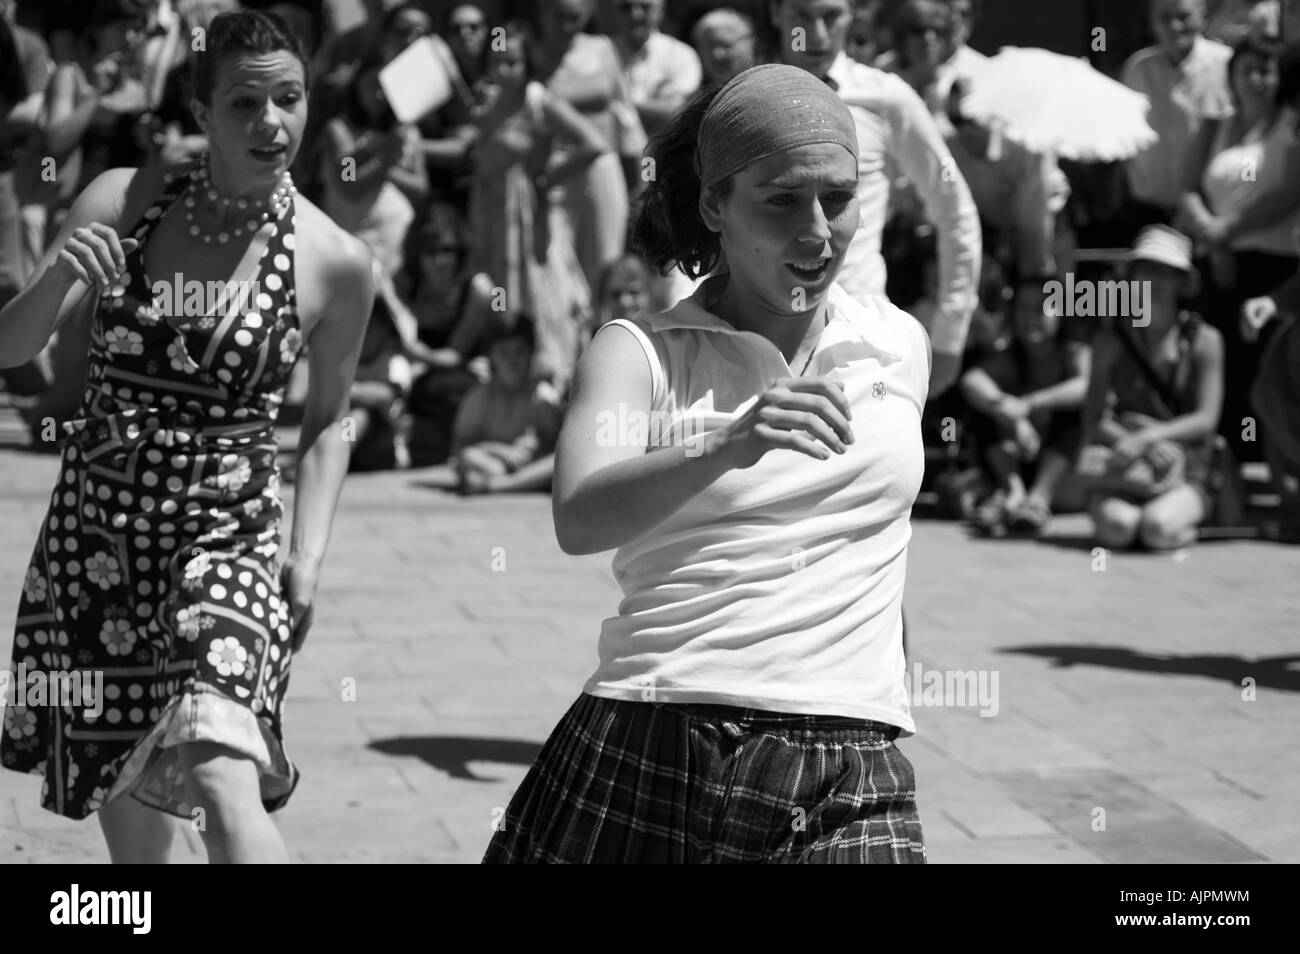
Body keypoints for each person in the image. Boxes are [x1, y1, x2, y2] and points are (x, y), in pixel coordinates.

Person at [486, 64, 931, 864]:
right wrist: (726, 442)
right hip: (661, 732)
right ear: (714, 205)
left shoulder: (897, 342)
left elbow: (878, 530)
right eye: (782, 200)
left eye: (839, 196)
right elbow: (579, 515)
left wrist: (886, 678)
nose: (819, 231)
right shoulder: (641, 353)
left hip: (851, 755)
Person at [0, 10, 374, 864]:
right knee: (139, 848)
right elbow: (10, 349)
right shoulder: (122, 199)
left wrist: (307, 558)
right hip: (95, 548)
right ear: (202, 115)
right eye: (244, 103)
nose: (270, 123)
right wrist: (61, 271)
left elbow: (329, 423)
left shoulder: (336, 258)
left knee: (222, 776)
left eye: (289, 98)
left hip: (228, 542)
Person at [764, 0, 980, 398]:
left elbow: (955, 210)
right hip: (756, 342)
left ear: (853, 15)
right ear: (776, 12)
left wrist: (950, 334)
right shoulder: (744, 94)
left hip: (859, 346)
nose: (819, 34)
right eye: (802, 16)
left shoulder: (887, 99)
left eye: (831, 16)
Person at [1179, 34, 1299, 461]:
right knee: (1220, 361)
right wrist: (1212, 235)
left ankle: (1274, 468)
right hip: (1218, 264)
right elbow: (1188, 189)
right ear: (1231, 77)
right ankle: (1228, 465)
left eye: (1265, 70)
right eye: (1246, 70)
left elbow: (1289, 190)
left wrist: (1225, 230)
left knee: (1268, 368)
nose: (1256, 79)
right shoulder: (1217, 125)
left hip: (1275, 268)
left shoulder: (1291, 123)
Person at [467, 19, 604, 393]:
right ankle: (508, 387)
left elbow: (592, 142)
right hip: (493, 215)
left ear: (528, 63)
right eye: (495, 62)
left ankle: (552, 383)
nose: (502, 70)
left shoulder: (539, 101)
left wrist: (547, 177)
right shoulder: (490, 103)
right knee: (500, 293)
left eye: (511, 62)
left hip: (530, 218)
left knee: (542, 294)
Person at [1082, 226, 1225, 551]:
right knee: (1119, 529)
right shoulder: (1109, 339)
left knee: (1157, 528)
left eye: (1164, 271)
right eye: (1145, 269)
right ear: (1131, 277)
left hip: (1189, 466)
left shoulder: (1206, 340)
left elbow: (1207, 419)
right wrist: (1137, 445)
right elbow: (1093, 419)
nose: (1152, 281)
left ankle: (1185, 520)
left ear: (1182, 282)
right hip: (1126, 466)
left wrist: (1149, 437)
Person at [531, 0, 634, 291]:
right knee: (556, 266)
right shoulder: (530, 54)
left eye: (574, 17)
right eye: (559, 16)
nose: (567, 26)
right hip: (555, 171)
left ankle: (601, 333)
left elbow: (625, 115)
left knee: (605, 263)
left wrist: (641, 174)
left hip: (603, 167)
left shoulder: (604, 48)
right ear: (543, 12)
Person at [1121, 0, 1234, 233]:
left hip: (1209, 212)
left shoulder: (1227, 64)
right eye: (1164, 18)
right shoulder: (1137, 68)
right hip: (1147, 210)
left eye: (1184, 16)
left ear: (1203, 17)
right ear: (1152, 22)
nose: (1174, 26)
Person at [447, 316, 564, 495]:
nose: (512, 360)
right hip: (494, 464)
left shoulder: (543, 396)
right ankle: (510, 482)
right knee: (467, 457)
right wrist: (501, 450)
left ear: (530, 353)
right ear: (491, 355)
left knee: (560, 461)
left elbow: (560, 445)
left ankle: (496, 485)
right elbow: (459, 448)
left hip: (531, 466)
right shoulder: (479, 396)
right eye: (504, 352)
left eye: (519, 351)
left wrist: (536, 444)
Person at [606, 0, 703, 136]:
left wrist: (618, 104)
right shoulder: (599, 53)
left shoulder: (681, 54)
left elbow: (677, 114)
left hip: (662, 151)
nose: (635, 15)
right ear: (614, 12)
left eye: (645, 7)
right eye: (626, 7)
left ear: (661, 9)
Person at [690, 8, 757, 85]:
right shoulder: (689, 89)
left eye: (726, 45)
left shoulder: (767, 85)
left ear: (749, 43)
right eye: (709, 47)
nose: (718, 55)